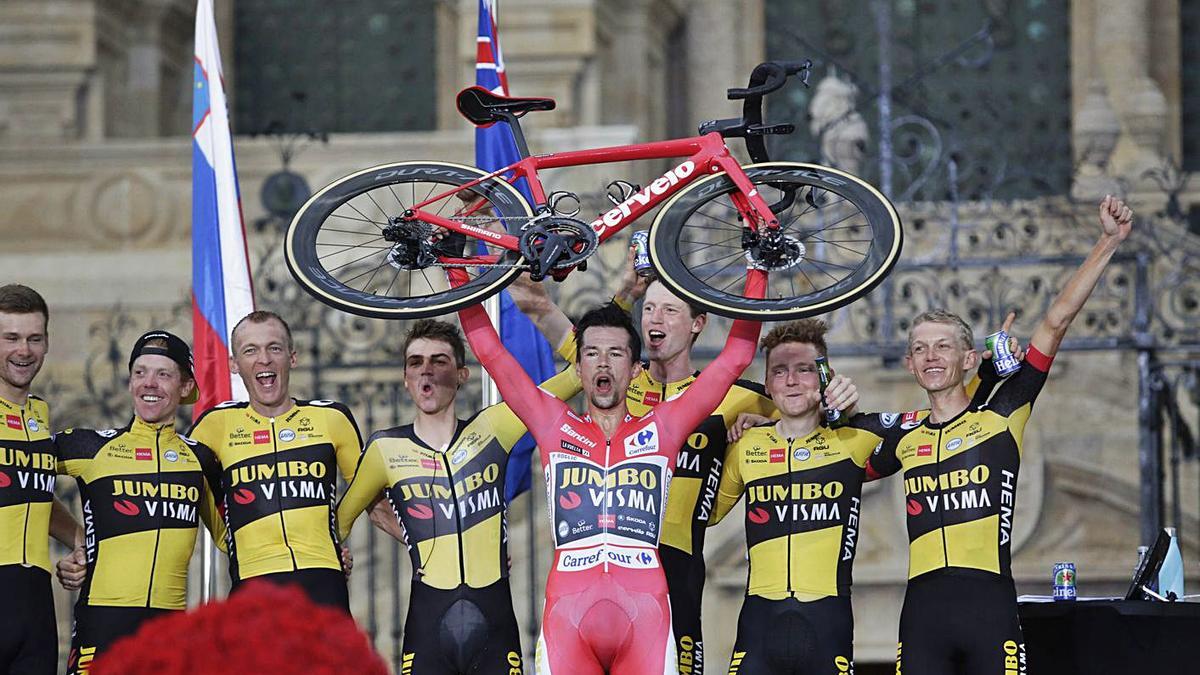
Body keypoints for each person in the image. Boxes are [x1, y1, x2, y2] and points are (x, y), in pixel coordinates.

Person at [866, 196, 1133, 674]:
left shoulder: (1004, 414)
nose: (931, 356)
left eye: (944, 346)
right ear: (909, 364)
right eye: (920, 348)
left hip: (988, 605)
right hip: (922, 613)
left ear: (969, 359)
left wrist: (1107, 242)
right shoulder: (903, 436)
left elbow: (1056, 322)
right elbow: (828, 462)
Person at [456, 264, 765, 674]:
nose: (603, 363)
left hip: (645, 618)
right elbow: (490, 353)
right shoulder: (553, 423)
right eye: (591, 354)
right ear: (579, 370)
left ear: (634, 369)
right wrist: (456, 272)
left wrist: (756, 267)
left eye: (616, 353)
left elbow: (736, 358)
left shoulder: (664, 428)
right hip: (569, 617)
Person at [336, 317, 581, 674]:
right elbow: (338, 523)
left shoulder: (494, 426)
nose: (427, 371)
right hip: (428, 625)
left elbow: (578, 375)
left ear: (462, 375)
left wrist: (618, 305)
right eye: (416, 363)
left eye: (439, 361)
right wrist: (343, 555)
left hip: (494, 622)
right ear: (406, 380)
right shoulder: (384, 448)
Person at [55, 330, 224, 674]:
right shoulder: (90, 448)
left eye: (163, 374)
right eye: (140, 372)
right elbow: (19, 479)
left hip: (170, 626)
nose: (150, 383)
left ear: (186, 387)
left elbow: (232, 537)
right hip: (102, 622)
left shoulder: (202, 460)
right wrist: (74, 537)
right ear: (130, 382)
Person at [188, 311, 363, 611]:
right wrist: (229, 541)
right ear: (234, 364)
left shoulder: (332, 418)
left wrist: (333, 532)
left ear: (292, 358)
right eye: (250, 350)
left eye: (274, 348)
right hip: (252, 587)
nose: (264, 359)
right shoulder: (214, 425)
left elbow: (373, 497)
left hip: (323, 587)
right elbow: (177, 491)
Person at [0, 284, 82, 675]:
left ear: (47, 343)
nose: (24, 350)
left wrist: (84, 542)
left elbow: (29, 492)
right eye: (11, 337)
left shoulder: (39, 414)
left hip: (35, 603)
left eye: (34, 338)